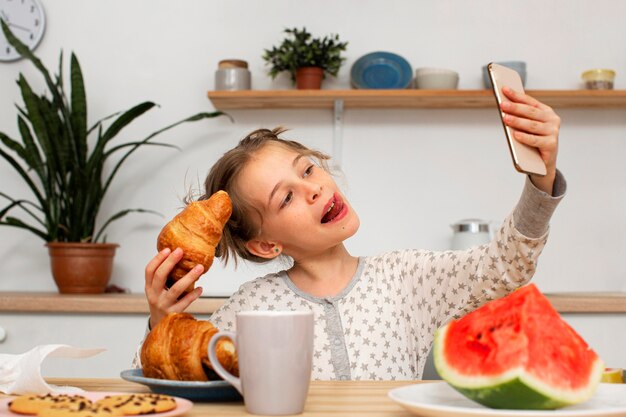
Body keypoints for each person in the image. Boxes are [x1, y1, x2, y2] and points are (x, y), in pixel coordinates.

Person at [135, 87, 565, 380]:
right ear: (267, 245)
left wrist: (540, 178)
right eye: (286, 198)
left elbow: (505, 266)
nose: (313, 187)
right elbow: (177, 384)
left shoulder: (406, 277)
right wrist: (162, 323)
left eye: (308, 168)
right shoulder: (250, 307)